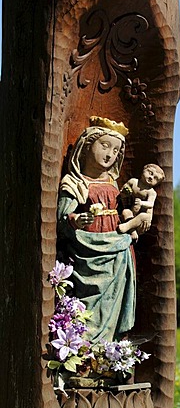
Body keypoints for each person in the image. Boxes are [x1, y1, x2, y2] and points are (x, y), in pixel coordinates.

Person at [57, 116, 135, 345]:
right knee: (87, 304)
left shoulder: (113, 184)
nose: (110, 154)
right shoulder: (74, 183)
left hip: (117, 252)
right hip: (86, 252)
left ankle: (107, 353)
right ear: (87, 145)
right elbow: (61, 220)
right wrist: (75, 220)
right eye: (104, 145)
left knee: (112, 304)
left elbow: (122, 212)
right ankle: (82, 348)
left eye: (116, 150)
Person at [117, 164, 165, 237]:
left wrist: (141, 203)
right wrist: (125, 192)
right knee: (126, 212)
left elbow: (151, 204)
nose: (151, 177)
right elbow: (122, 193)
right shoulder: (133, 182)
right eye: (150, 173)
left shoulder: (151, 192)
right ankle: (132, 231)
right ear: (144, 170)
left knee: (142, 216)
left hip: (144, 217)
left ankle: (127, 226)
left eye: (155, 178)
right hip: (132, 213)